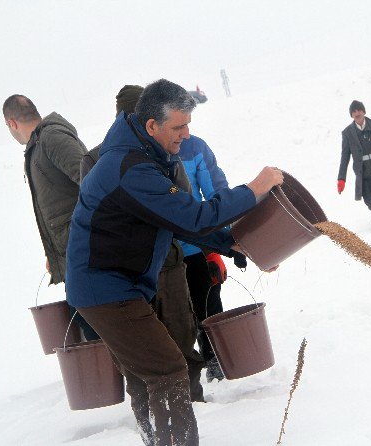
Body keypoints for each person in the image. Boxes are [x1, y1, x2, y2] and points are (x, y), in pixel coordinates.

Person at [66, 78, 283, 446]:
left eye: (188, 125)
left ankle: (156, 439)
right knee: (167, 368)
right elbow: (195, 216)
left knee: (145, 373)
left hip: (118, 284)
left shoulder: (147, 154)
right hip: (105, 288)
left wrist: (234, 244)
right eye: (178, 127)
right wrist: (253, 189)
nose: (185, 135)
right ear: (152, 125)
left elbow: (180, 223)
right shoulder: (130, 168)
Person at [80, 84, 206, 402]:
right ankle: (155, 411)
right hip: (127, 274)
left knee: (181, 334)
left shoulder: (166, 154)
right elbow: (93, 215)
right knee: (142, 353)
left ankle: (191, 401)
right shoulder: (97, 159)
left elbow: (186, 204)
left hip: (169, 263)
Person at [2, 95, 97, 340]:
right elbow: (60, 204)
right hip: (71, 253)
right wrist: (54, 254)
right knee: (89, 325)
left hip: (87, 253)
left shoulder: (51, 138)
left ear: (11, 123)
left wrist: (82, 236)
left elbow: (92, 182)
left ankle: (132, 377)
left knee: (97, 325)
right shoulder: (37, 145)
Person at [176, 132, 231, 382]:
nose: (183, 132)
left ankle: (214, 361)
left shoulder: (194, 147)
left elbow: (216, 195)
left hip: (194, 247)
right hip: (160, 254)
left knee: (207, 304)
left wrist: (225, 241)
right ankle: (184, 373)